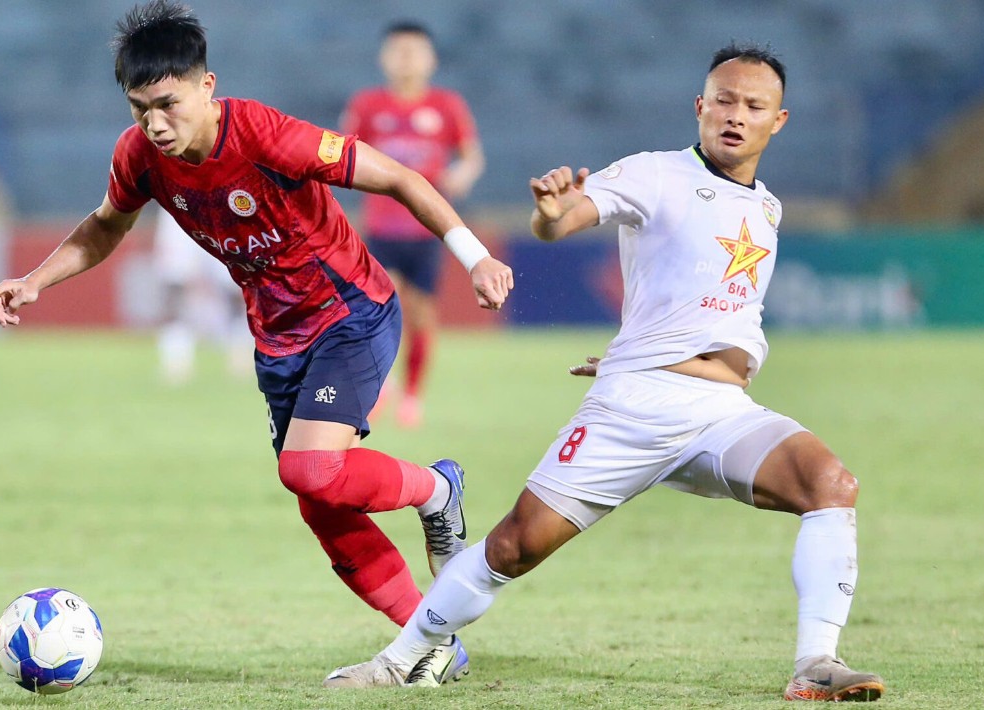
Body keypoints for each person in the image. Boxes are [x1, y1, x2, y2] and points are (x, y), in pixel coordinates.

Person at [323, 44, 885, 702]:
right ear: (700, 107)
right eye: (724, 101)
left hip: (722, 412)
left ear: (778, 120)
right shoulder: (656, 173)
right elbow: (562, 220)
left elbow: (711, 308)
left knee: (830, 485)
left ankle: (816, 663)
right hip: (636, 407)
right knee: (513, 547)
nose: (736, 115)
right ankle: (403, 659)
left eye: (754, 106)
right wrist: (551, 211)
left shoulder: (767, 209)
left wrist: (640, 348)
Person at [0, 0, 513, 686]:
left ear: (207, 86)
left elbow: (401, 178)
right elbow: (105, 225)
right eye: (139, 109)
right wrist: (36, 280)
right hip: (279, 340)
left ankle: (436, 489)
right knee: (321, 505)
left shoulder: (267, 136)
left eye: (167, 104)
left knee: (309, 470)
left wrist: (474, 256)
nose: (154, 124)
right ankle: (431, 645)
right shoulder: (140, 156)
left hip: (350, 312)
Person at [339, 21, 484, 428]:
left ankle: (413, 395)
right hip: (381, 228)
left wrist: (462, 174)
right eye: (398, 51)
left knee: (421, 313)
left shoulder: (447, 106)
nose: (405, 59)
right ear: (384, 58)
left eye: (414, 51)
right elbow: (342, 154)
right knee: (378, 308)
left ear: (430, 59)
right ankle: (381, 384)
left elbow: (472, 156)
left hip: (428, 229)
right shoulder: (367, 105)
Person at [151, 206, 252, 384]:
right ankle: (176, 359)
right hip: (177, 205)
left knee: (236, 286)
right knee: (175, 287)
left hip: (223, 207)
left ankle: (242, 353)